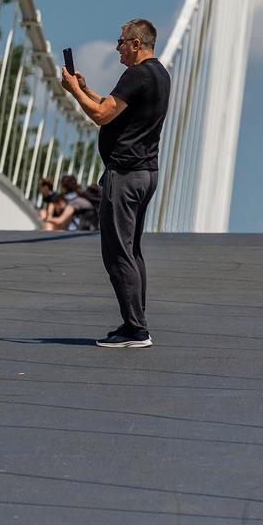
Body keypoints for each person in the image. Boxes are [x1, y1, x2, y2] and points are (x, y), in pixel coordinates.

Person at [60, 19, 171, 348]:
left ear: (136, 44)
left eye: (121, 42)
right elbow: (117, 107)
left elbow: (101, 116)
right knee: (132, 250)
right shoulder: (159, 74)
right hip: (146, 172)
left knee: (117, 253)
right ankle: (136, 321)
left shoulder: (136, 74)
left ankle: (136, 329)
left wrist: (74, 91)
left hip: (124, 175)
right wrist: (85, 87)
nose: (117, 47)